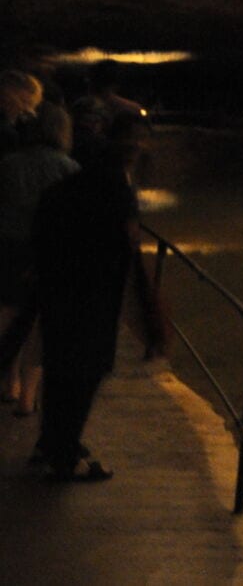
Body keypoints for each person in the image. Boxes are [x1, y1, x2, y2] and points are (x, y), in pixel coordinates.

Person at [30, 115, 167, 482]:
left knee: (60, 369)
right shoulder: (117, 194)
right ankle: (65, 454)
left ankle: (52, 442)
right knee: (84, 374)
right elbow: (130, 254)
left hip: (58, 292)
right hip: (93, 299)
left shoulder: (63, 191)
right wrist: (150, 322)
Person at [0, 104, 80, 414]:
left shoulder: (8, 164)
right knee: (41, 325)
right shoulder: (69, 168)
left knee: (8, 312)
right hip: (51, 250)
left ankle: (10, 381)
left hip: (9, 245)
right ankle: (27, 398)